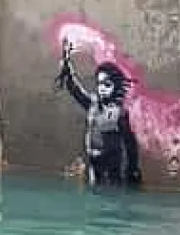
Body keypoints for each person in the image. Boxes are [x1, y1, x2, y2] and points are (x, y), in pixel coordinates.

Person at [56, 40, 142, 187]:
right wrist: (66, 61)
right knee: (95, 188)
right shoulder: (93, 104)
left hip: (112, 165)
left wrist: (133, 168)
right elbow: (74, 89)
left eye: (107, 85)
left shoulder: (119, 112)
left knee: (111, 190)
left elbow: (130, 142)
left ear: (115, 87)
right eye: (100, 84)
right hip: (93, 161)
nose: (102, 88)